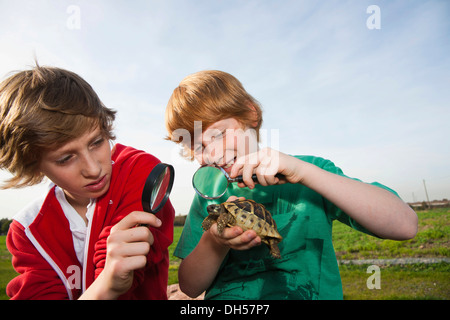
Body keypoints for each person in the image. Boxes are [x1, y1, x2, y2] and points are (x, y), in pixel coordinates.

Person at [165, 70, 418, 300]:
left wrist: (307, 174)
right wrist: (215, 242)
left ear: (250, 114)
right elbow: (189, 287)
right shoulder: (209, 196)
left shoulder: (311, 172)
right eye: (198, 146)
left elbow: (405, 226)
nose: (212, 154)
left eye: (219, 134)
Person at [0, 65, 175, 300]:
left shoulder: (139, 171)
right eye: (65, 158)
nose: (94, 169)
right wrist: (106, 288)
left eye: (96, 142)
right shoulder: (27, 230)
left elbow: (129, 267)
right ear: (33, 165)